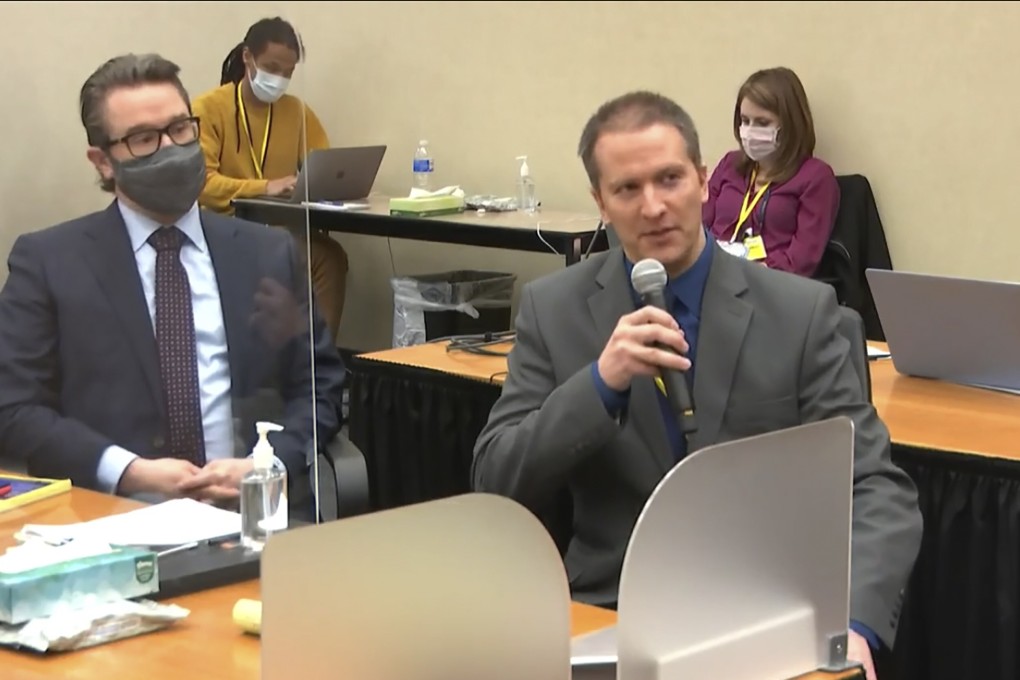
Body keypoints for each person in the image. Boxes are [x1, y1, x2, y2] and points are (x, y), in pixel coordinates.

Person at [471, 91, 921, 679]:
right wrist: (598, 386)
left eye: (670, 179)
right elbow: (496, 481)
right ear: (600, 202)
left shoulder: (801, 312)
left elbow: (875, 488)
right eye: (627, 189)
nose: (654, 206)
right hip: (609, 617)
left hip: (763, 619)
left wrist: (853, 624)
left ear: (705, 181)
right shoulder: (553, 310)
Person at [0, 53, 346, 519]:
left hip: (251, 514)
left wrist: (266, 463)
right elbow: (15, 408)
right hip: (110, 520)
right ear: (103, 162)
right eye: (144, 139)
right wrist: (128, 470)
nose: (171, 148)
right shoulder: (49, 261)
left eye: (181, 129)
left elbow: (319, 384)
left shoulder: (267, 252)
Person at [191, 16, 349, 342]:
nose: (278, 79)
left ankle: (319, 365)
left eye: (287, 72)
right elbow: (202, 185)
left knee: (329, 257)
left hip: (277, 229)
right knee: (302, 257)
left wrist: (335, 185)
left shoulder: (296, 111)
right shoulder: (208, 108)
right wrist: (265, 186)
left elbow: (322, 168)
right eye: (271, 67)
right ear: (248, 58)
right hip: (223, 230)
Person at [702, 67, 840, 277]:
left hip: (769, 285)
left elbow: (802, 261)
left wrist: (752, 273)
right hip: (713, 275)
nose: (749, 131)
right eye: (745, 121)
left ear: (789, 123)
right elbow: (698, 225)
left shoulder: (815, 177)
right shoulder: (730, 164)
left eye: (762, 122)